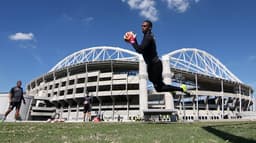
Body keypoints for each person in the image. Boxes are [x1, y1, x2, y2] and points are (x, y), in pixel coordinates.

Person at [124, 20, 188, 94]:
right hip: (151, 65)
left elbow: (140, 50)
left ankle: (182, 88)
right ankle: (170, 89)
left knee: (159, 88)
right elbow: (142, 49)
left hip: (155, 65)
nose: (142, 27)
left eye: (144, 26)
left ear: (150, 27)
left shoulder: (148, 37)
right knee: (155, 82)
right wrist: (134, 40)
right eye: (142, 26)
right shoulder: (146, 36)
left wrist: (132, 41)